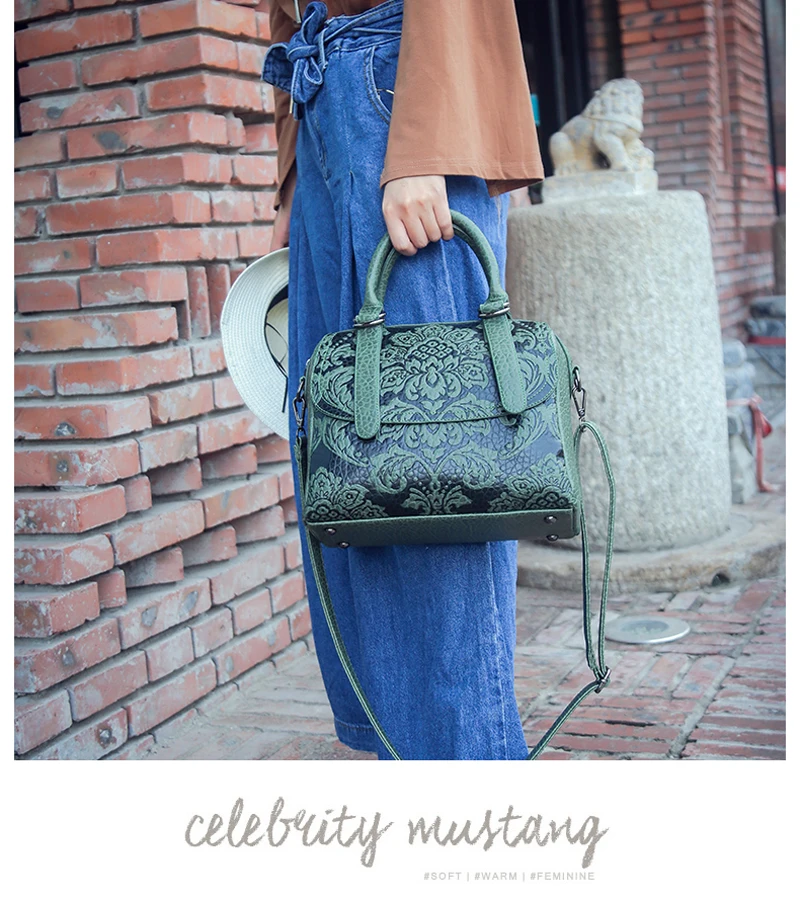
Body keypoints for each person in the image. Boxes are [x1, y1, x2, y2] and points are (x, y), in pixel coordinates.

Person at [262, 0, 545, 759]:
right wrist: (296, 171)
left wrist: (423, 141)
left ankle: (472, 791)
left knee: (442, 472)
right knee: (348, 475)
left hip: (399, 87)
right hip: (325, 99)